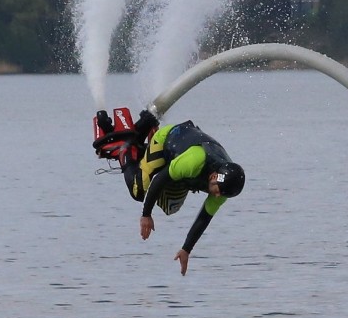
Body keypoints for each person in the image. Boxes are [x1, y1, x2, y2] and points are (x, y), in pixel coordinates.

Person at [93, 110, 245, 275]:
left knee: (169, 207)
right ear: (215, 176)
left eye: (221, 195)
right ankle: (126, 150)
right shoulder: (195, 160)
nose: (217, 196)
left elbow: (204, 217)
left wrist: (186, 249)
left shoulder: (225, 185)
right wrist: (146, 214)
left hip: (179, 158)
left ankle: (145, 132)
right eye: (218, 192)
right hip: (166, 142)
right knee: (139, 190)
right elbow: (160, 179)